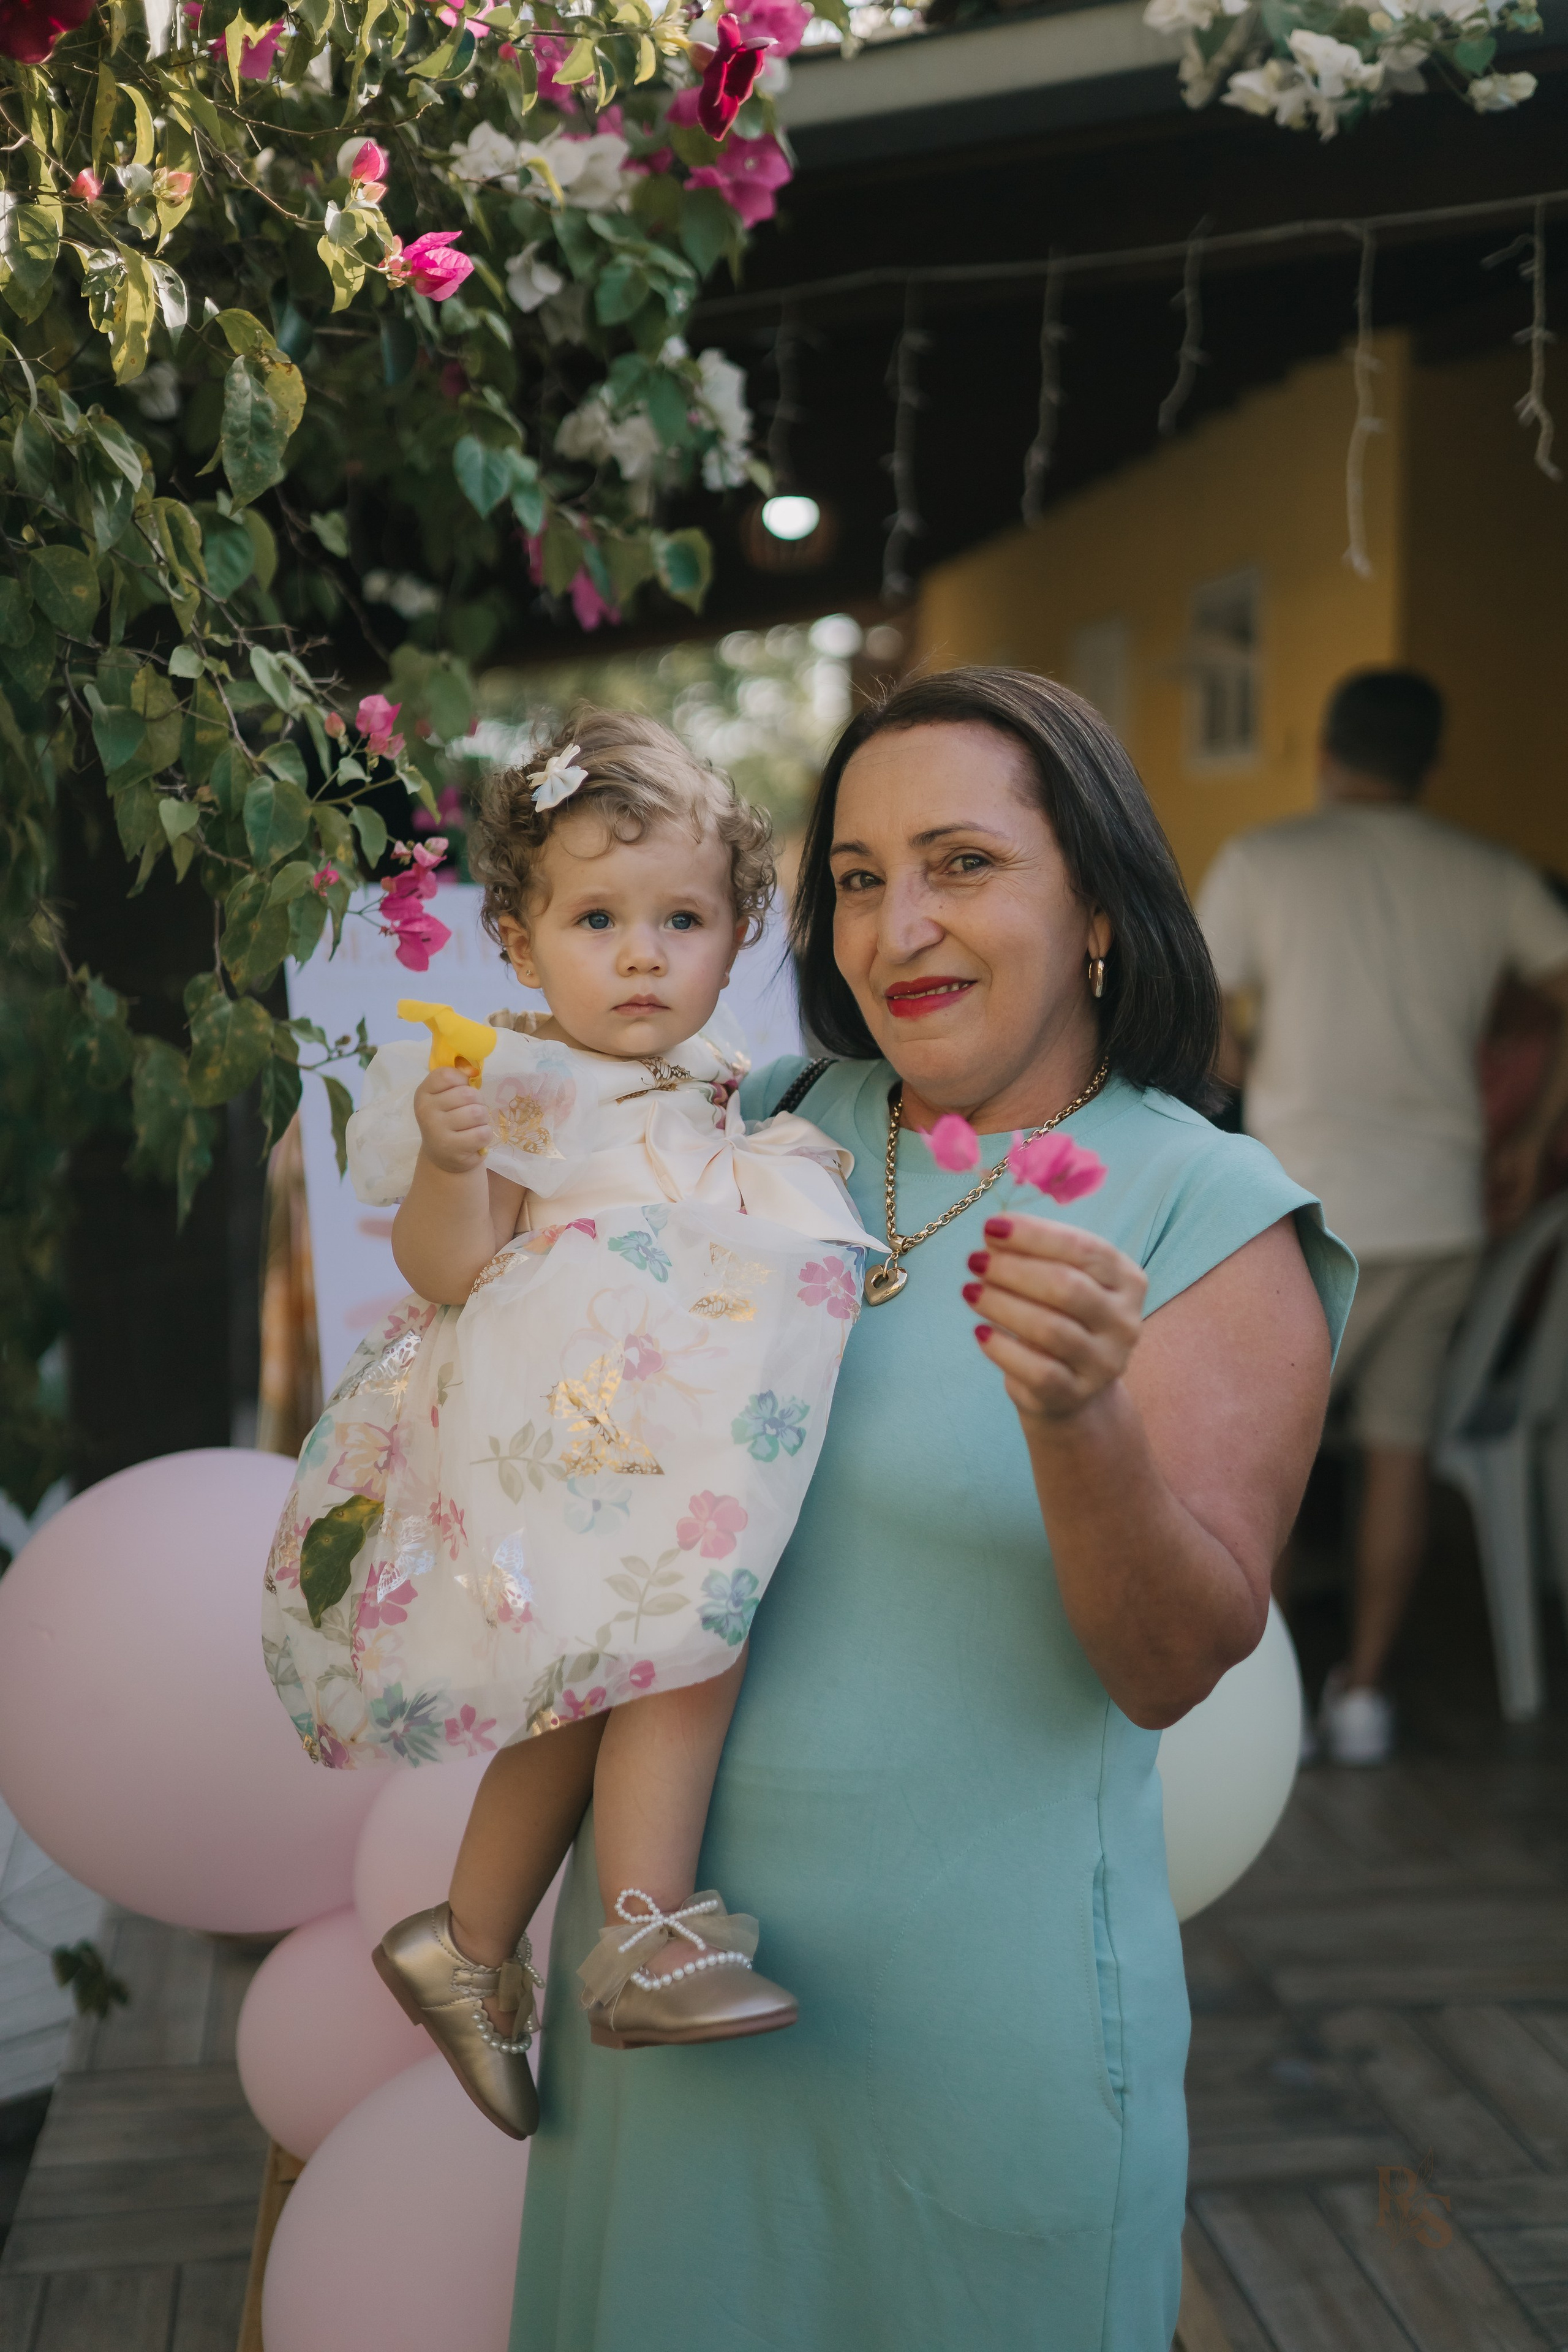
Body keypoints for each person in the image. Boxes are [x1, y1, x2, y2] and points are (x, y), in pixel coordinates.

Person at [508, 669, 1352, 2352]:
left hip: (976, 2038)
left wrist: (1081, 1422)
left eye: (962, 864)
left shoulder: (1208, 1211)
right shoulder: (759, 1124)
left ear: (1098, 908)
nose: (899, 927)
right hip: (665, 1991)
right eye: (859, 877)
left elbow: (1173, 1663)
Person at [262, 711, 881, 2139]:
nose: (642, 955)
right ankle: (647, 1934)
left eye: (682, 920)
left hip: (660, 1428)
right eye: (597, 919)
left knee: (598, 1682)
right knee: (688, 1650)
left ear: (739, 936)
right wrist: (450, 1164)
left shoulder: (718, 1077)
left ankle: (468, 1943)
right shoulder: (515, 1081)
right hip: (573, 1427)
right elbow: (448, 1271)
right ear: (521, 940)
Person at [1197, 668, 1568, 1765]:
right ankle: (1363, 1696)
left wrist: (1246, 1075)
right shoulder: (1489, 872)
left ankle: (1255, 1709)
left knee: (1265, 1464)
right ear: (1431, 765)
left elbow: (1201, 997)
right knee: (1399, 1454)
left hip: (1309, 1213)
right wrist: (1532, 1134)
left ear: (1325, 751)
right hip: (1442, 1214)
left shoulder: (1265, 859)